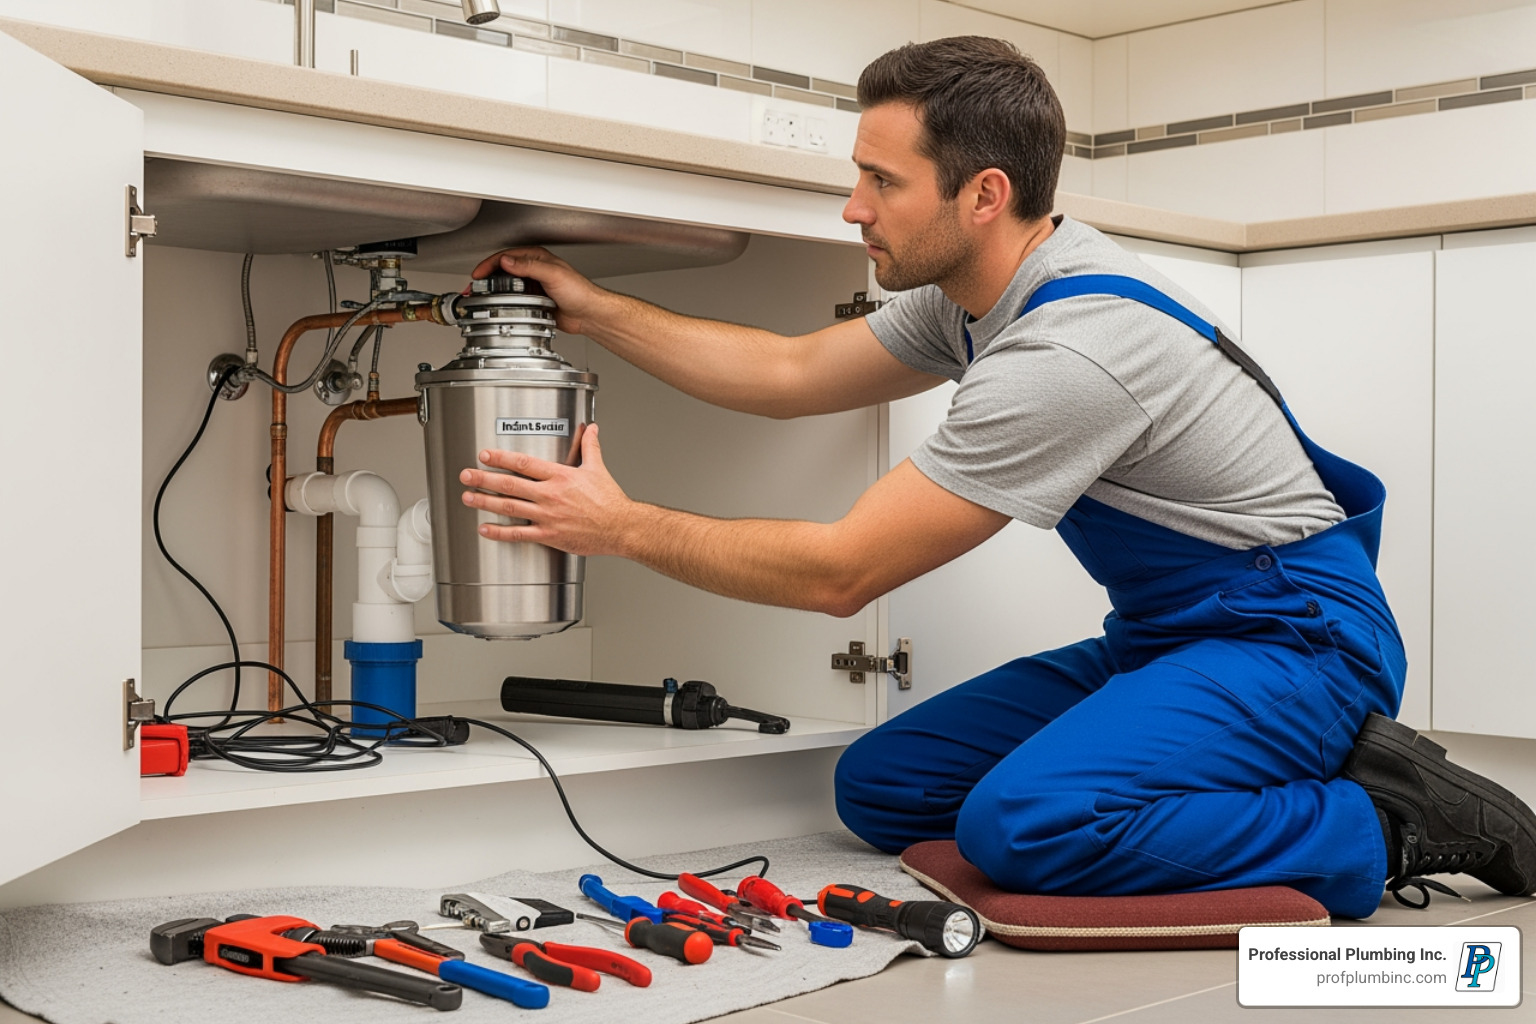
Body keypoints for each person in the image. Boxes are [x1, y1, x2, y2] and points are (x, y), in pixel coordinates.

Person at [460, 35, 1536, 917]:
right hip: (1172, 632)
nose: (853, 207)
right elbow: (788, 373)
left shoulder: (1071, 350)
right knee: (881, 786)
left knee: (1024, 826)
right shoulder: (988, 289)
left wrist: (621, 525)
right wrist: (591, 305)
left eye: (880, 181)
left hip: (1295, 639)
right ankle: (1232, 765)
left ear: (983, 193)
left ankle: (1384, 820)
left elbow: (844, 572)